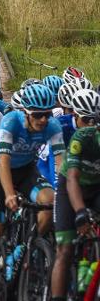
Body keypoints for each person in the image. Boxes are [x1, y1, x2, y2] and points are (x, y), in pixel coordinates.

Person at [0, 84, 64, 301]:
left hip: (27, 170)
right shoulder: (11, 121)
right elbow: (4, 163)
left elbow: (61, 164)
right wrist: (8, 194)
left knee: (48, 203)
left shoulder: (53, 126)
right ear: (26, 112)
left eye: (46, 114)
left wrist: (63, 195)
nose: (43, 120)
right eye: (37, 114)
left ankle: (27, 248)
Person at [50, 89, 100, 300]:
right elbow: (71, 180)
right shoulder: (83, 137)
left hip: (96, 187)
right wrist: (80, 212)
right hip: (70, 186)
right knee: (66, 248)